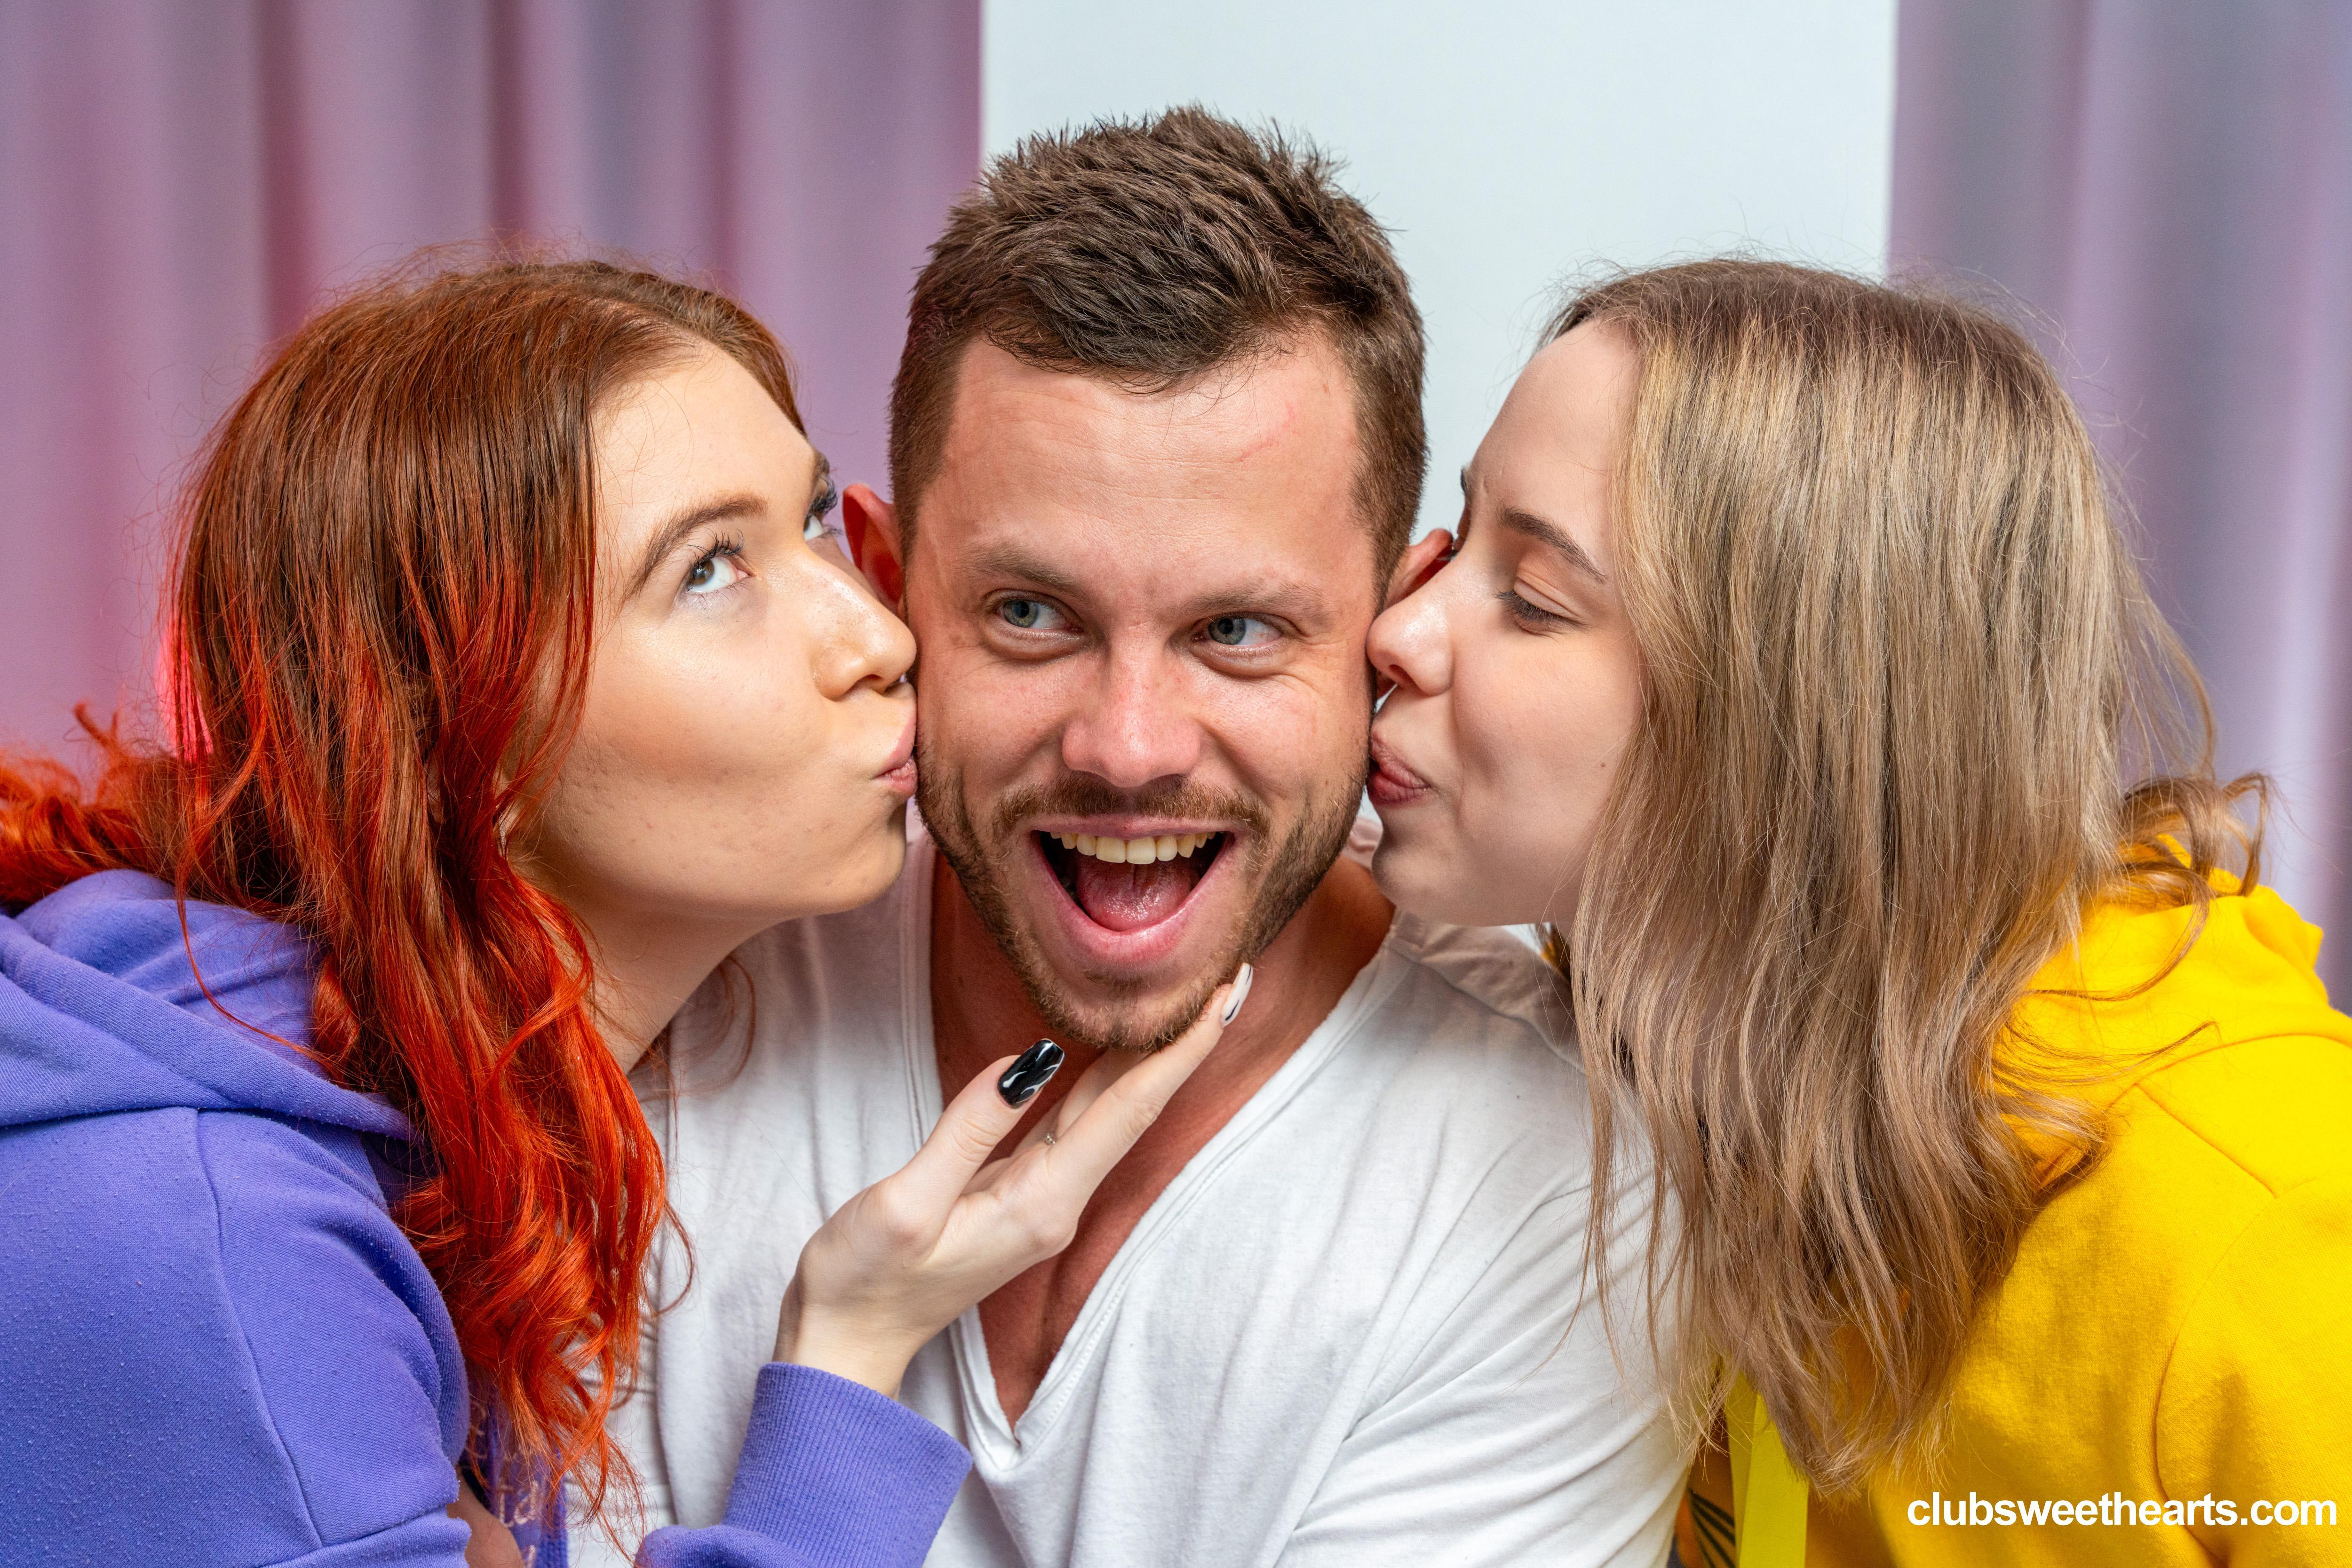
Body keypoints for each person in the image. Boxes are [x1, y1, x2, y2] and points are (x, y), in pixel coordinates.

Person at [0, 257, 1246, 1568]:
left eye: (811, 522)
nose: (878, 639)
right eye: (710, 571)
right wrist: (847, 1367)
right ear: (463, 746)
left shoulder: (423, 1128)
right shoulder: (215, 1248)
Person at [603, 110, 1686, 1568]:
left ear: (1389, 627)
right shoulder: (672, 999)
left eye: (1237, 631)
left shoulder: (1560, 1179)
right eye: (1030, 615)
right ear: (882, 584)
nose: (1127, 748)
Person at [1364, 258, 2352, 1567]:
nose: (1397, 628)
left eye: (1534, 599)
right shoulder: (1668, 1056)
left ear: (1793, 718)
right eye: (1459, 532)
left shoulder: (2259, 1229)